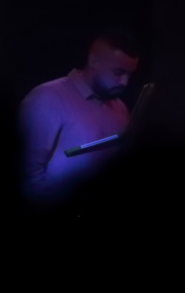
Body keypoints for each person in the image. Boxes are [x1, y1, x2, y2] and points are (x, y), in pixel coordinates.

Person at [18, 30, 141, 203]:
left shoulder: (121, 109)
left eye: (130, 74)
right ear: (94, 61)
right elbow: (25, 172)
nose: (125, 82)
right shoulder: (47, 98)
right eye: (118, 72)